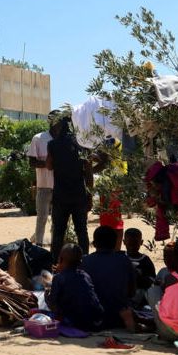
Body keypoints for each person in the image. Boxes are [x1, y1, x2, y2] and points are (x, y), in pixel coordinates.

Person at [45, 114, 95, 261]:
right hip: (79, 195)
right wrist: (89, 196)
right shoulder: (83, 144)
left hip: (60, 195)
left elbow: (48, 166)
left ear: (60, 127)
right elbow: (89, 173)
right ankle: (84, 261)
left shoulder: (53, 144)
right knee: (82, 232)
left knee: (58, 232)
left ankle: (55, 263)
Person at [80, 226, 138, 331]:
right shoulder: (124, 261)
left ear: (94, 244)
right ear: (116, 243)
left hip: (92, 318)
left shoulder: (85, 261)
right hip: (118, 317)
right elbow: (132, 292)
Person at [48, 243, 104, 331]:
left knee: (47, 297)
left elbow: (54, 303)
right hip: (95, 321)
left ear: (60, 260)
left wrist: (47, 296)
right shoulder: (85, 275)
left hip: (74, 322)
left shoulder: (59, 278)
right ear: (80, 262)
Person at [27, 111, 60, 246]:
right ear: (51, 121)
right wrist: (49, 164)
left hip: (60, 186)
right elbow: (32, 162)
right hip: (44, 185)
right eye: (57, 120)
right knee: (42, 218)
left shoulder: (65, 140)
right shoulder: (39, 138)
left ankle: (55, 246)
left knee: (58, 219)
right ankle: (39, 245)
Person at [123, 228, 156, 306]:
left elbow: (152, 279)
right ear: (124, 242)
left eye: (135, 244)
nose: (132, 247)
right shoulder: (120, 257)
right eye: (130, 244)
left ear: (141, 242)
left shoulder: (145, 260)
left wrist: (138, 276)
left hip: (140, 293)